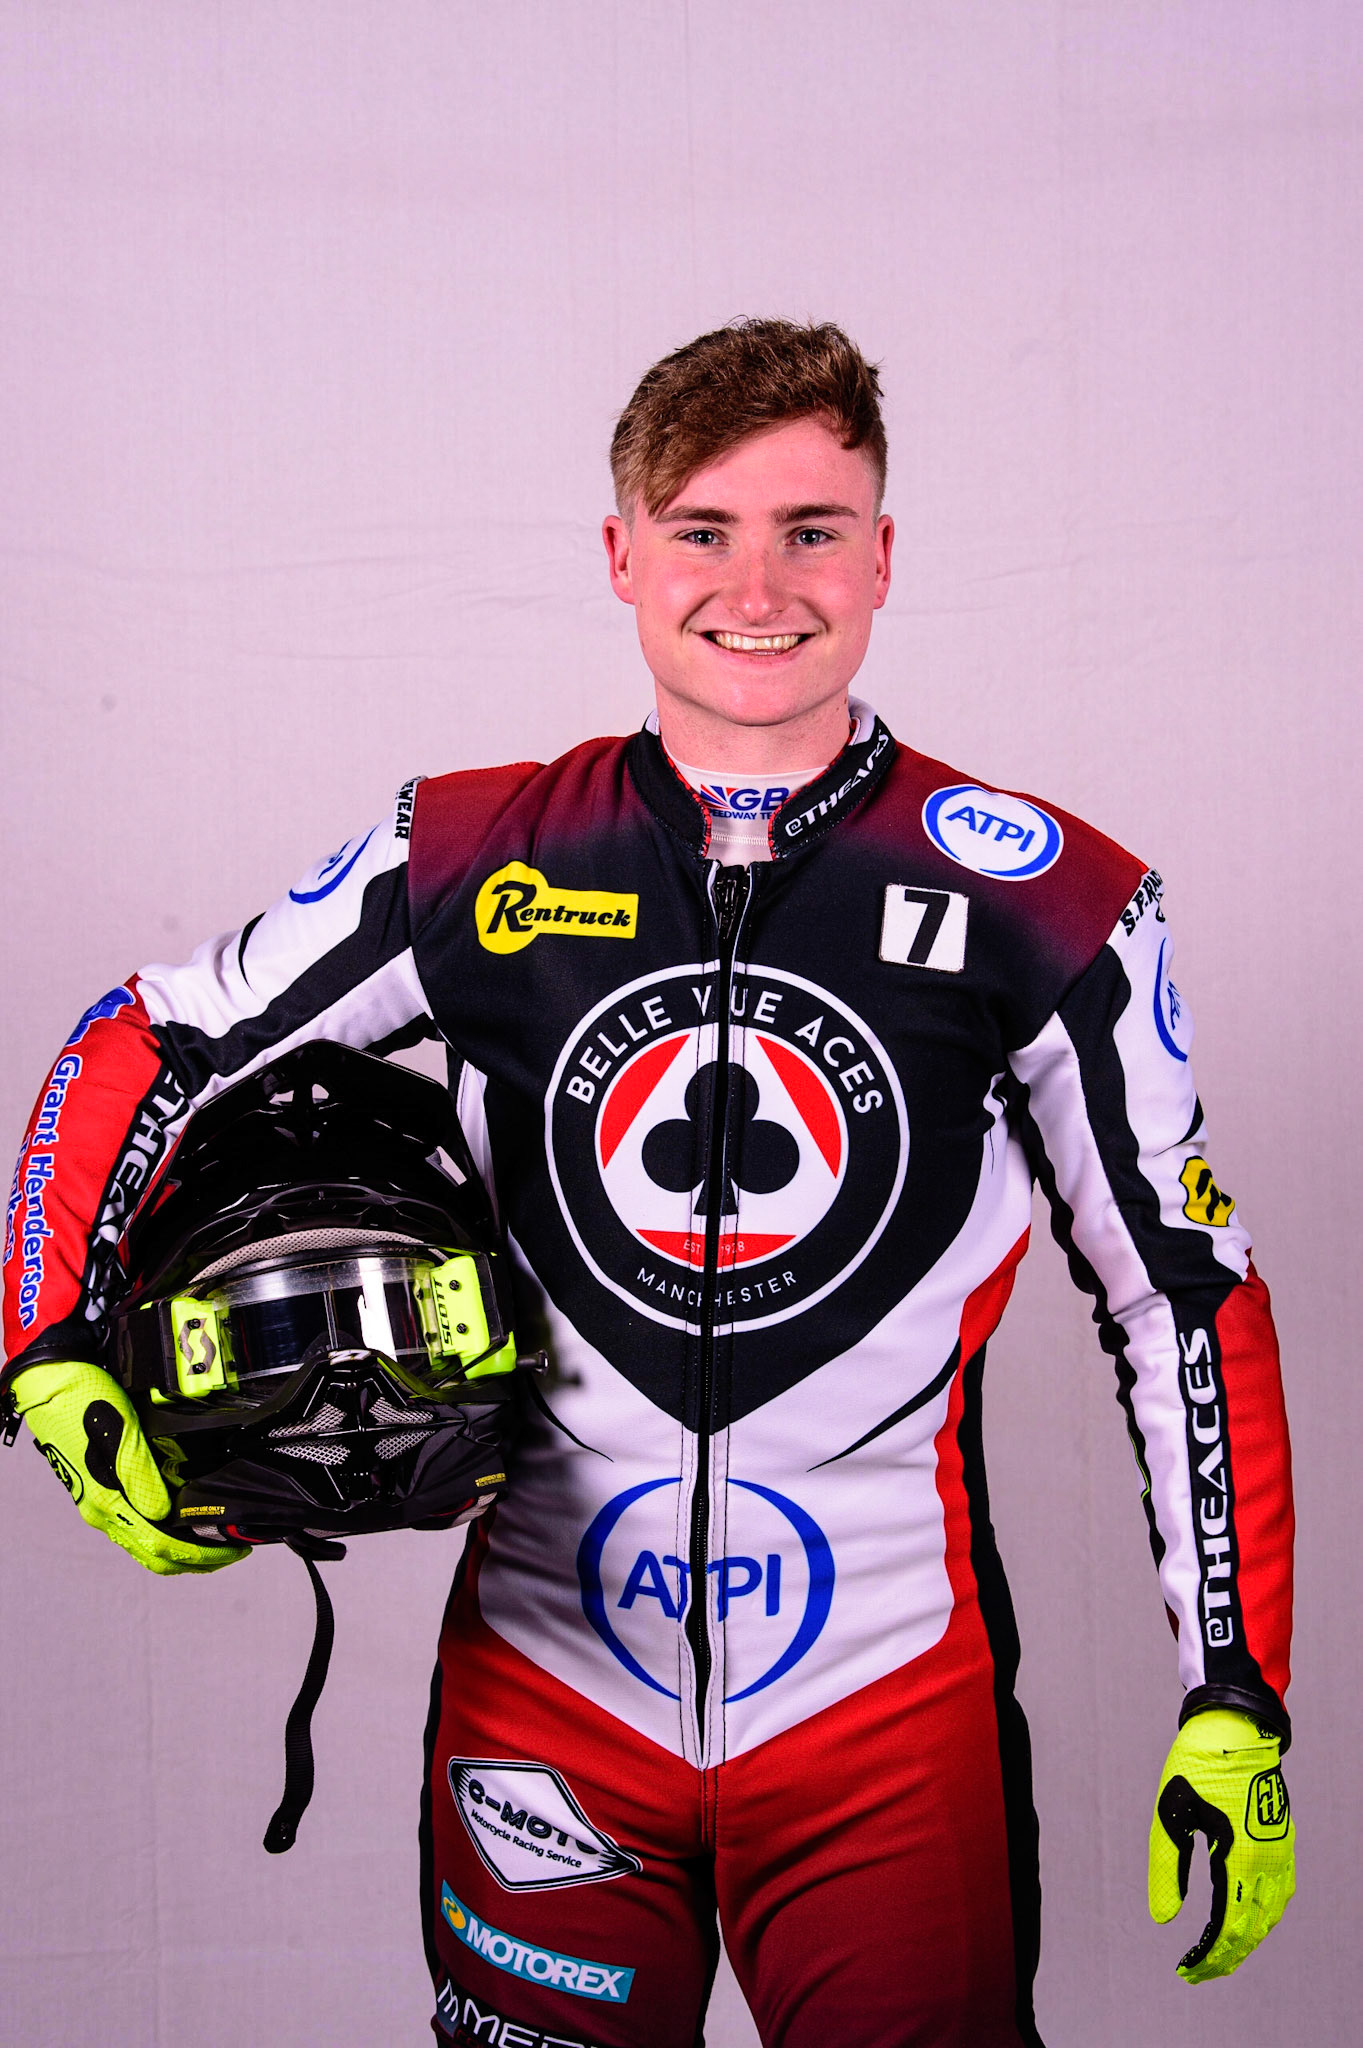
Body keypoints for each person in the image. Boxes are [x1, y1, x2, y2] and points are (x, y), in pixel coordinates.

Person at [1, 320, 1294, 2048]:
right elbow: (146, 1040)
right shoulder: (466, 851)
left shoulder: (1056, 898)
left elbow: (1181, 1294)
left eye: (813, 529)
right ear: (620, 554)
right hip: (548, 1703)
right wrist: (44, 1337)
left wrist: (1237, 1692)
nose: (759, 584)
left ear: (886, 556)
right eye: (702, 530)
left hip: (889, 1721)